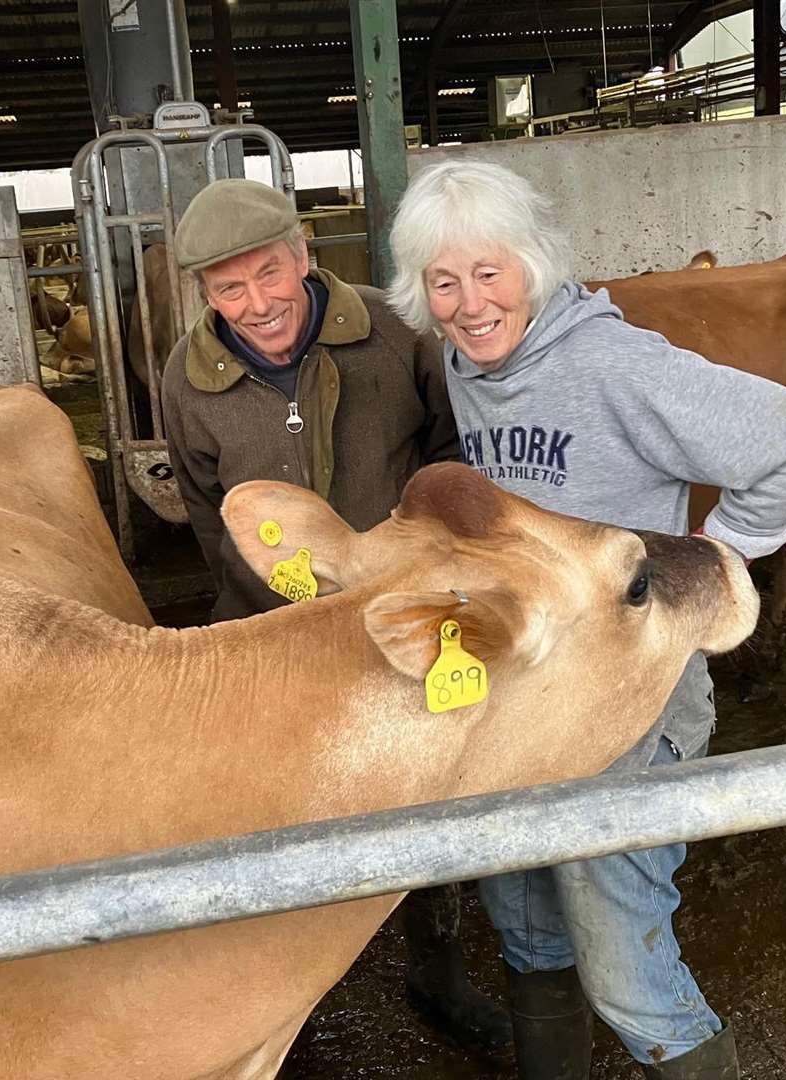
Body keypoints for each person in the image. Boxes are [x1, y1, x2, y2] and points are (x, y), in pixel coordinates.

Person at [387, 160, 786, 1080]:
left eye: (490, 272)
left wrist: (720, 556)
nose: (470, 303)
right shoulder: (468, 361)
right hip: (521, 699)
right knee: (523, 919)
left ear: (534, 264)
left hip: (630, 703)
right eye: (445, 281)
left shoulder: (612, 364)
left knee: (623, 965)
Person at [159, 177, 511, 1055]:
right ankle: (292, 999)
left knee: (422, 788)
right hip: (273, 630)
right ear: (203, 294)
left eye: (270, 274)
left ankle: (436, 967)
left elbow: (449, 452)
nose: (258, 304)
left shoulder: (393, 333)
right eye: (229, 289)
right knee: (278, 804)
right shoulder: (188, 378)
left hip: (403, 612)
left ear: (305, 255)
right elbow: (207, 511)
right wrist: (250, 607)